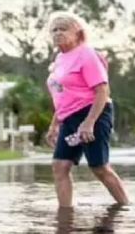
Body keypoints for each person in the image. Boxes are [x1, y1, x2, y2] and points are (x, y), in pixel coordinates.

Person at [45, 11, 129, 208]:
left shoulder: (87, 54)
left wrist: (89, 122)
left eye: (63, 29)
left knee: (99, 167)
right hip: (69, 117)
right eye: (54, 30)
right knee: (60, 166)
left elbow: (102, 90)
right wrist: (54, 124)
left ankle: (125, 207)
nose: (57, 33)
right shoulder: (60, 59)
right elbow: (64, 95)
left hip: (93, 113)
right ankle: (65, 214)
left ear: (77, 32)